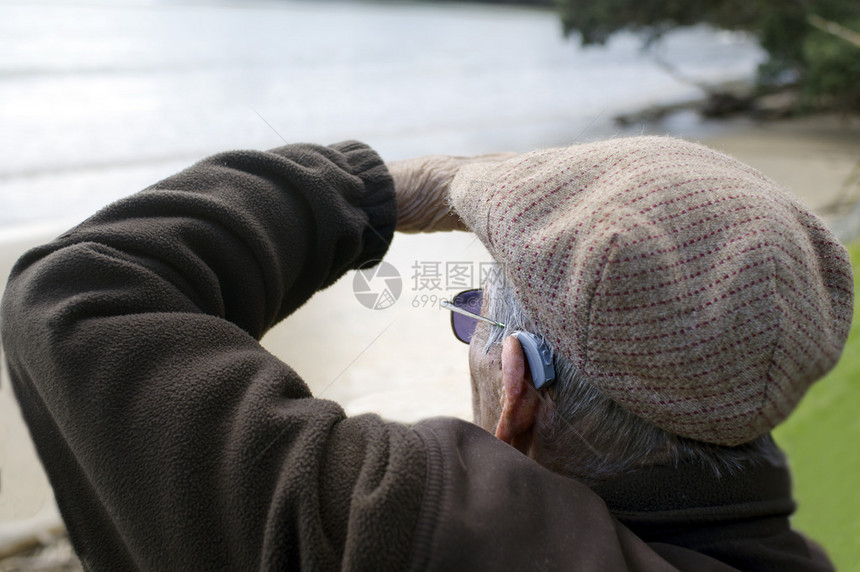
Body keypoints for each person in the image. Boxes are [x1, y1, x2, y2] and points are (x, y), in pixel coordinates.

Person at [1, 137, 852, 571]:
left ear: (517, 387)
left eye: (472, 313)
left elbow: (77, 289)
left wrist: (395, 187)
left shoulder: (426, 530)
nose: (469, 333)